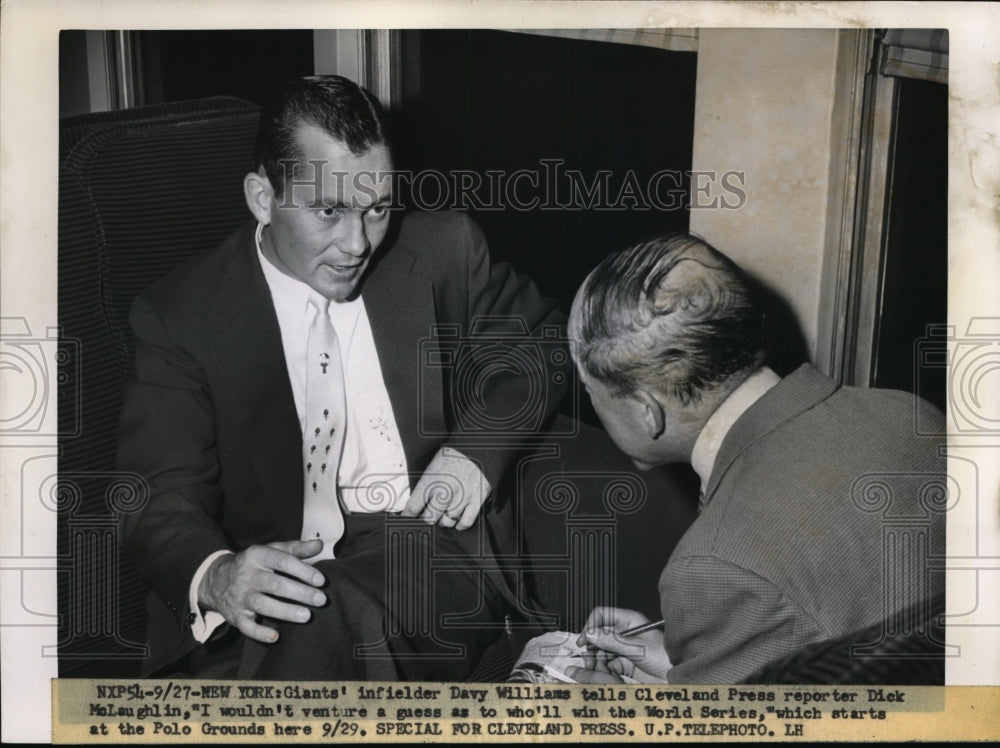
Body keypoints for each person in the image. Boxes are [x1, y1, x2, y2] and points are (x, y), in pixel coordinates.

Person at [118, 75, 569, 679]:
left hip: (426, 553)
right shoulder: (180, 314)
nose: (358, 244)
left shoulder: (443, 251)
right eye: (329, 211)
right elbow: (158, 489)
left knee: (328, 622)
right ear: (262, 197)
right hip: (270, 574)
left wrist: (473, 453)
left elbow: (543, 343)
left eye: (377, 209)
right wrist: (219, 574)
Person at [560, 233, 945, 684]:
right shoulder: (908, 413)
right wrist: (689, 666)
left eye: (590, 390)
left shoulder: (715, 565)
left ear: (648, 411)